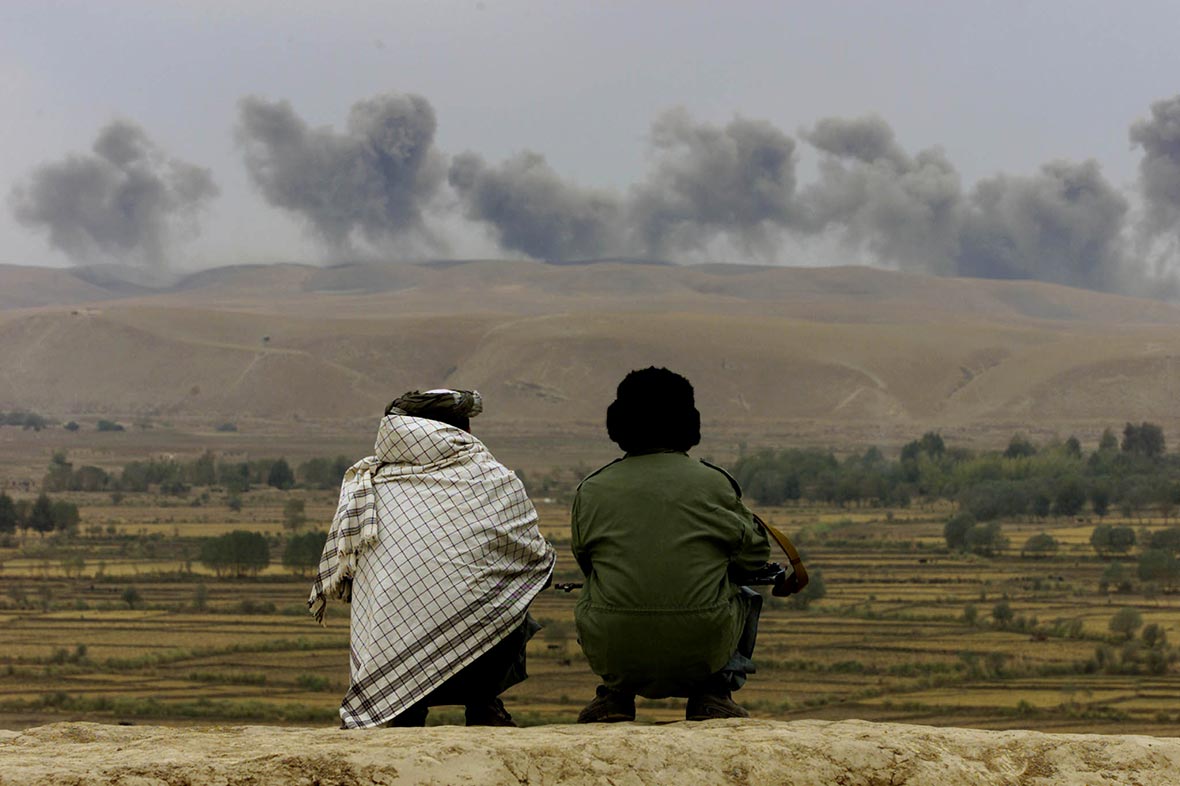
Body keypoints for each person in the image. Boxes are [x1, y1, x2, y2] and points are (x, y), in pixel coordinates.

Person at [308, 388, 556, 728]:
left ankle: (403, 710)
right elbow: (534, 560)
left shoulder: (368, 484)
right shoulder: (495, 480)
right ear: (461, 432)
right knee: (513, 595)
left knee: (382, 600)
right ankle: (483, 703)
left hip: (389, 661)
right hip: (477, 666)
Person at [571, 367, 771, 722]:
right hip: (704, 644)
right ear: (688, 424)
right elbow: (753, 558)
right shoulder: (713, 483)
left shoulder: (592, 488)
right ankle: (714, 693)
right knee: (746, 595)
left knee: (597, 588)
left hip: (615, 646)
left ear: (618, 424)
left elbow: (588, 562)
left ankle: (614, 696)